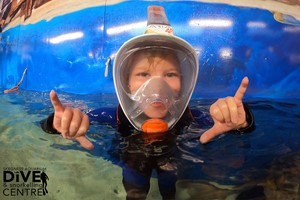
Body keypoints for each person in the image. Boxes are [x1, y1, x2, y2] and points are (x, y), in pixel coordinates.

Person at [41, 5, 255, 199]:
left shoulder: (191, 119)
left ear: (184, 83)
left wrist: (240, 121)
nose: (157, 87)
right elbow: (68, 122)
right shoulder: (111, 116)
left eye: (170, 75)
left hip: (172, 161)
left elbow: (229, 123)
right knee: (135, 188)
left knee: (169, 186)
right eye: (143, 75)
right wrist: (57, 123)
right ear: (127, 84)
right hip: (132, 162)